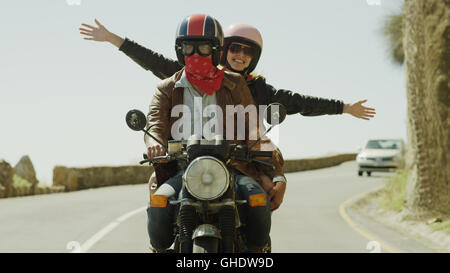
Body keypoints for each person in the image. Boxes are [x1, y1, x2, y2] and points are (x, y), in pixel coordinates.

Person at [79, 19, 376, 212]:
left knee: (262, 193)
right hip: (188, 159)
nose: (241, 55)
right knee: (159, 198)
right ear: (222, 50)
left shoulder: (256, 90)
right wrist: (113, 39)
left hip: (238, 160)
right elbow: (152, 63)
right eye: (235, 48)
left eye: (248, 52)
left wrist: (344, 107)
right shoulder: (184, 77)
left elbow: (299, 102)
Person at [142, 14, 273, 253]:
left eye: (202, 47)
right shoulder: (166, 89)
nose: (195, 54)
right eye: (188, 47)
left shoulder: (235, 83)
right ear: (179, 50)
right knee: (158, 204)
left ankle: (255, 254)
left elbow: (252, 121)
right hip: (182, 169)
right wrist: (154, 143)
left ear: (215, 50)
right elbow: (154, 125)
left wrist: (258, 143)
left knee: (258, 201)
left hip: (231, 166)